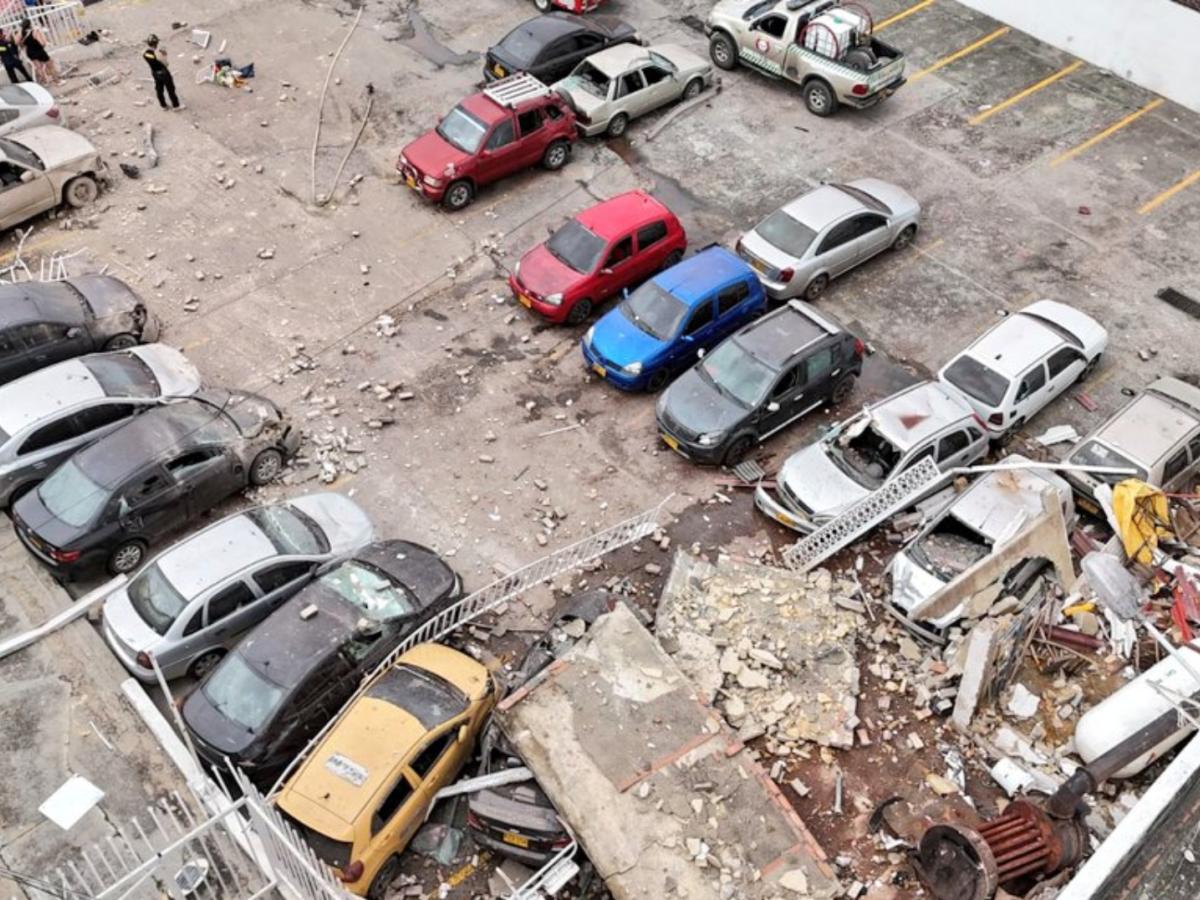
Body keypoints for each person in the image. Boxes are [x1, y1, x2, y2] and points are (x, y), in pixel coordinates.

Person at [143, 34, 182, 110]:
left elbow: (152, 59)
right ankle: (176, 106)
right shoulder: (159, 53)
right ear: (156, 44)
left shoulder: (146, 54)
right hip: (164, 73)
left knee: (159, 89)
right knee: (170, 89)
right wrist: (164, 55)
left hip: (155, 73)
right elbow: (165, 64)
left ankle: (163, 106)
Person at [19, 20, 54, 84]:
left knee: (38, 67)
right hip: (38, 50)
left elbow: (19, 43)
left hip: (30, 52)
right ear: (30, 24)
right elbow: (42, 43)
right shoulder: (34, 31)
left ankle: (46, 81)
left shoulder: (22, 34)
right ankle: (57, 81)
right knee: (50, 64)